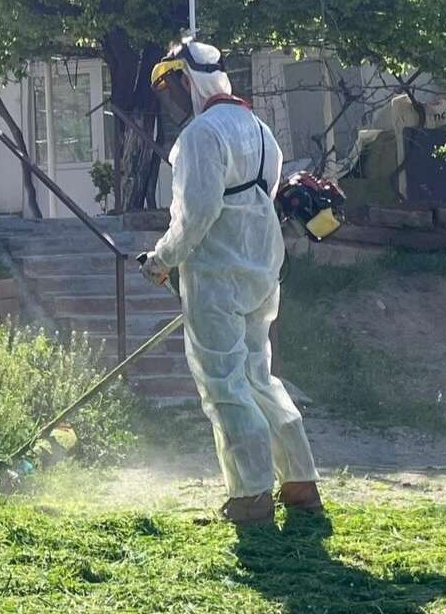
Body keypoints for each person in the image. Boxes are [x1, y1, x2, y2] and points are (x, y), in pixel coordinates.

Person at [139, 39, 323, 526]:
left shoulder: (201, 135)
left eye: (172, 86)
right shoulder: (260, 130)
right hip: (262, 271)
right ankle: (300, 483)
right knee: (258, 376)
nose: (170, 99)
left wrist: (161, 260)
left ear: (189, 81)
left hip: (216, 276)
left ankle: (250, 496)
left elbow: (195, 215)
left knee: (224, 383)